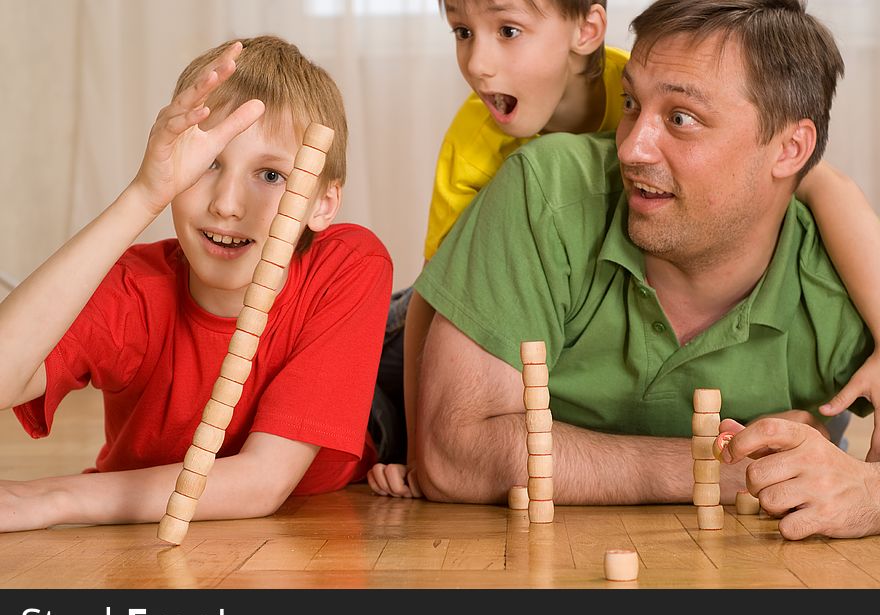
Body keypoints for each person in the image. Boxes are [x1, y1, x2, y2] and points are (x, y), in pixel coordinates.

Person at [368, 0, 880, 498]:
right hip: (410, 326)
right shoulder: (536, 180)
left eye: (682, 119)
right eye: (630, 103)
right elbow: (451, 452)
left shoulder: (838, 277)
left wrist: (865, 492)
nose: (631, 147)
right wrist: (718, 471)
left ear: (790, 150)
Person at [0, 36, 392, 533]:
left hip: (380, 402)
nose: (227, 204)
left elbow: (262, 482)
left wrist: (51, 497)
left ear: (322, 204)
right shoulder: (134, 290)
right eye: (208, 162)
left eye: (271, 175)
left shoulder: (350, 262)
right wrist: (144, 195)